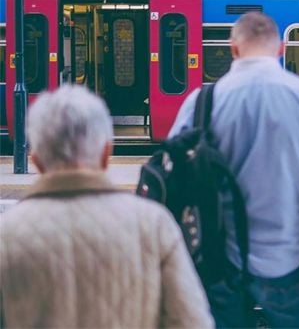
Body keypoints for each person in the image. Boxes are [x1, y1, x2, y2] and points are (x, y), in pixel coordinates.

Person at [168, 11, 299, 328]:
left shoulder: (200, 102)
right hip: (290, 260)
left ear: (233, 49)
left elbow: (174, 174)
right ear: (281, 49)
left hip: (220, 261)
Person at [0, 85, 213, 328]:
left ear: (36, 161)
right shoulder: (153, 225)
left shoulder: (6, 234)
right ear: (106, 153)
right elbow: (191, 322)